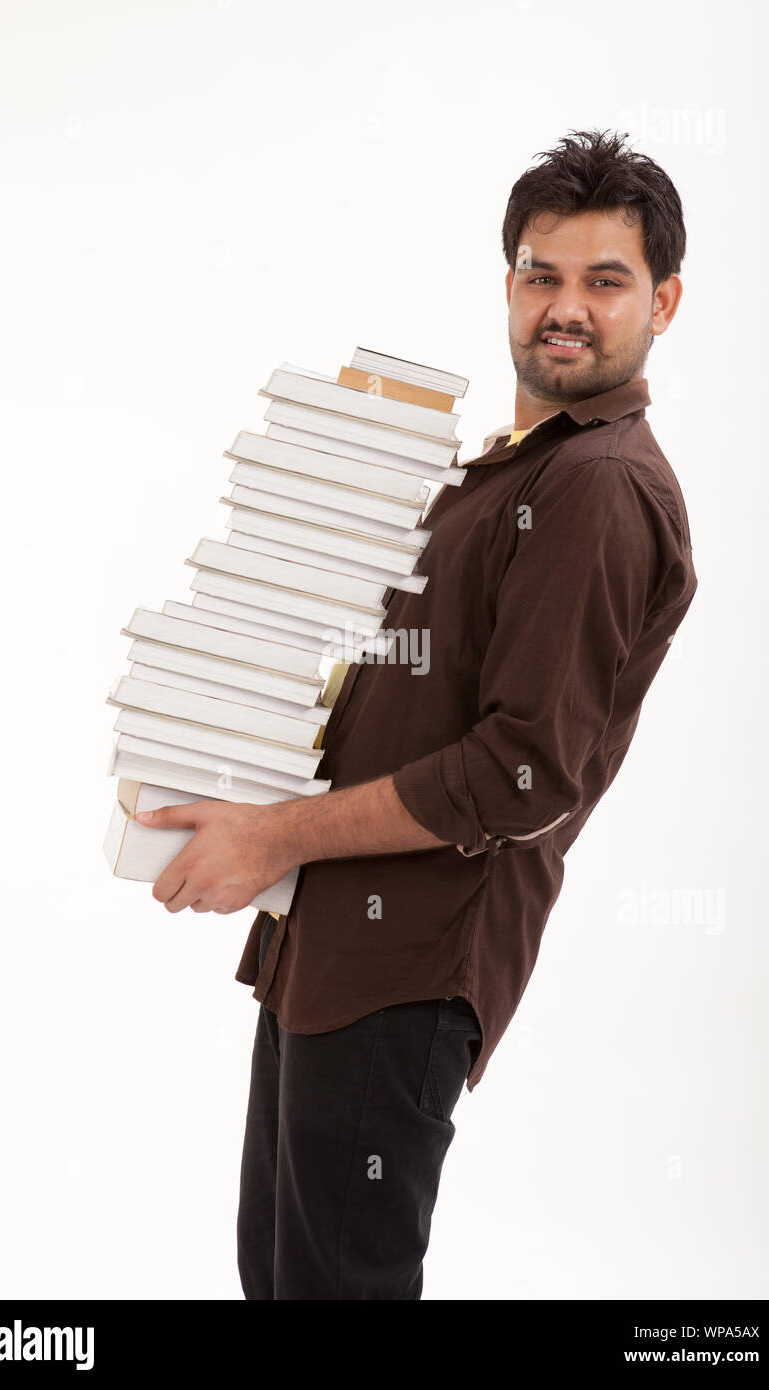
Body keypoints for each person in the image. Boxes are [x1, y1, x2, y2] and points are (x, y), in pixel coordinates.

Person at [136, 128, 698, 1299]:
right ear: (507, 285)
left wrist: (272, 836)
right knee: (287, 1279)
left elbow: (518, 773)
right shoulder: (506, 472)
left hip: (407, 966)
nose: (566, 307)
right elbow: (406, 683)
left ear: (663, 302)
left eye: (605, 281)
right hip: (330, 948)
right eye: (542, 273)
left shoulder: (594, 488)